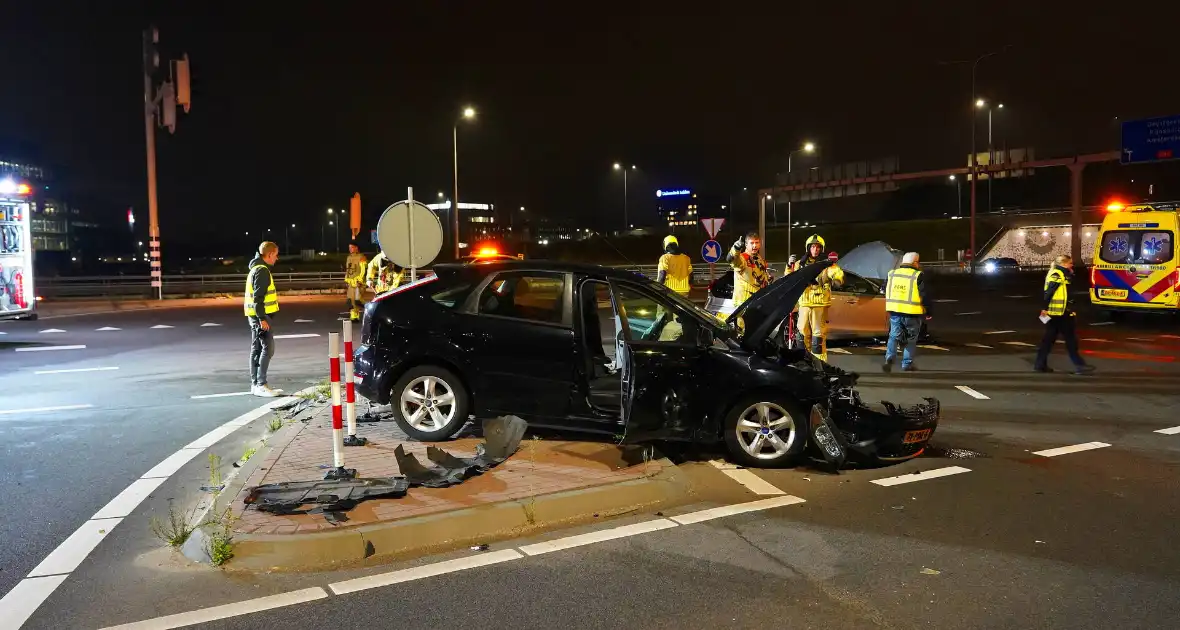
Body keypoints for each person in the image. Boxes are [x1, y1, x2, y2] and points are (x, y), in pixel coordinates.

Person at [785, 234, 844, 362]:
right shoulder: (800, 264)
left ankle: (819, 365)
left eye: (818, 247)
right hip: (804, 303)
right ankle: (804, 362)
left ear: (822, 249)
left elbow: (836, 272)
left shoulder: (826, 264)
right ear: (808, 248)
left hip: (819, 304)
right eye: (813, 247)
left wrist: (837, 280)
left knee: (817, 337)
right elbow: (788, 277)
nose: (815, 249)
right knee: (802, 334)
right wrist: (789, 265)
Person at [1034, 255, 1094, 375]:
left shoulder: (1062, 273)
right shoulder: (1057, 274)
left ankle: (1040, 364)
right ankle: (1080, 365)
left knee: (1048, 340)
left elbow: (1066, 292)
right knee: (1070, 339)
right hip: (1060, 313)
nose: (1072, 265)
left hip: (1058, 313)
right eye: (1070, 263)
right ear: (1064, 263)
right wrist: (1044, 308)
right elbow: (1049, 292)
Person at [245, 241, 284, 397]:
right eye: (276, 255)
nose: (277, 258)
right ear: (269, 254)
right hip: (260, 316)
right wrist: (262, 318)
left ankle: (256, 384)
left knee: (257, 349)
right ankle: (261, 384)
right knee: (268, 348)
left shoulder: (255, 268)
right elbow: (258, 298)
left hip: (255, 316)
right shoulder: (262, 271)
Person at [883, 252, 931, 373]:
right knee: (911, 339)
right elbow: (924, 295)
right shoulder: (918, 275)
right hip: (912, 313)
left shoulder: (892, 274)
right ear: (915, 262)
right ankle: (907, 364)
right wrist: (929, 311)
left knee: (893, 336)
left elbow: (884, 289)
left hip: (895, 310)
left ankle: (890, 357)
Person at [727, 231, 772, 308]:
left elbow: (762, 275)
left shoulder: (759, 258)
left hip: (757, 301)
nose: (754, 245)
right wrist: (735, 248)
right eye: (752, 243)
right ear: (746, 245)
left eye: (757, 242)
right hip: (743, 303)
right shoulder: (742, 258)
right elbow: (731, 259)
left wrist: (768, 279)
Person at [344, 240, 368, 321]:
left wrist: (360, 280)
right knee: (351, 300)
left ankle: (370, 308)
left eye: (352, 247)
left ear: (356, 248)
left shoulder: (362, 257)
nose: (350, 249)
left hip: (359, 283)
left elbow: (363, 270)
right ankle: (354, 317)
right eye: (349, 247)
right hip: (351, 282)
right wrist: (346, 279)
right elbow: (347, 270)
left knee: (358, 300)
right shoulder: (349, 257)